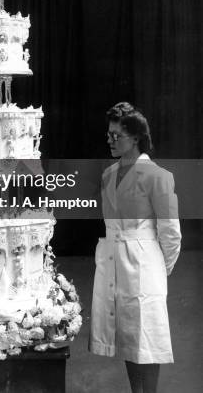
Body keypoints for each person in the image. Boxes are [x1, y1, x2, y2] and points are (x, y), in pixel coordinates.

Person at [89, 102, 181, 393]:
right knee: (128, 335)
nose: (111, 140)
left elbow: (171, 233)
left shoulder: (158, 176)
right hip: (115, 260)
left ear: (136, 138)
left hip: (144, 264)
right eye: (109, 135)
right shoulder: (107, 175)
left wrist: (158, 270)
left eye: (117, 135)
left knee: (146, 337)